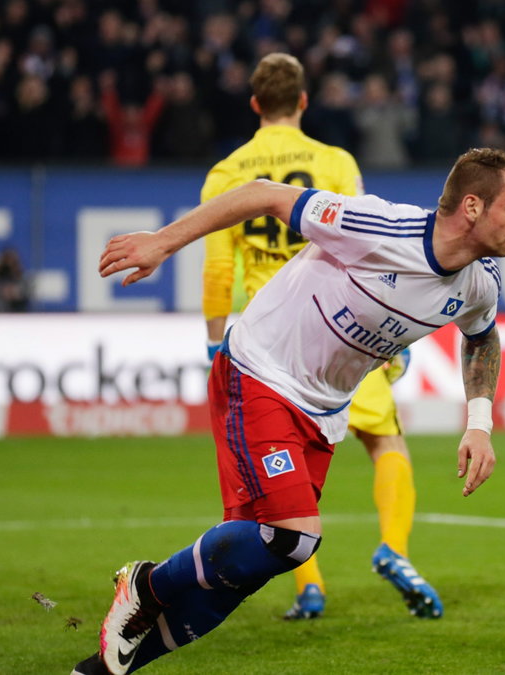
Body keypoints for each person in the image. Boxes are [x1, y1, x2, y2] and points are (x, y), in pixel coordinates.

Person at [74, 147, 505, 675]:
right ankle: (145, 584)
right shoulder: (378, 226)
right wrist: (162, 242)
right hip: (260, 370)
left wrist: (479, 424)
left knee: (249, 565)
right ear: (472, 206)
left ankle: (101, 671)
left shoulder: (480, 281)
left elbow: (481, 340)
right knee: (294, 538)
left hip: (323, 410)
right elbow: (261, 195)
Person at [200, 52, 438, 621]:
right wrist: (392, 336)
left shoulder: (228, 172)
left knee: (286, 477)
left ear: (255, 104)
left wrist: (214, 347)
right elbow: (368, 244)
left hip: (268, 344)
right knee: (385, 444)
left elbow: (216, 272)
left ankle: (310, 585)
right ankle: (396, 549)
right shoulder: (334, 161)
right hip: (345, 331)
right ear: (304, 101)